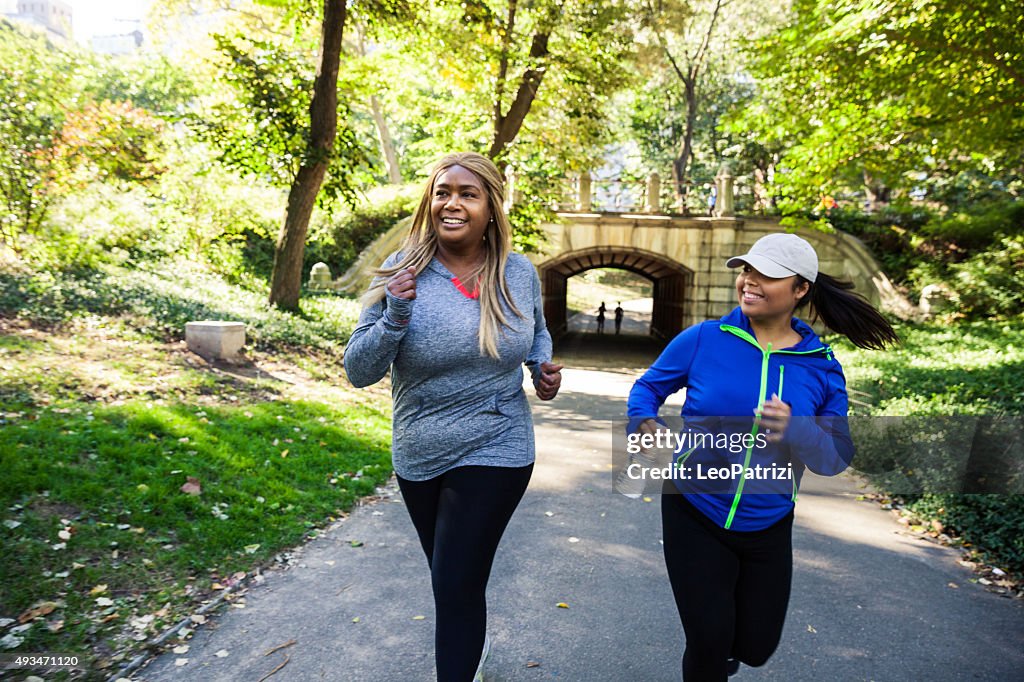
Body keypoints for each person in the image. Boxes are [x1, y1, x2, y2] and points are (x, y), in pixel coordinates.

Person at [626, 233, 897, 681]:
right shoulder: (704, 339)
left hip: (768, 521)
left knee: (755, 646)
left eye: (767, 274)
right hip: (694, 508)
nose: (750, 281)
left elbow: (834, 458)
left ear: (800, 289)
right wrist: (644, 421)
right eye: (747, 270)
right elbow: (648, 388)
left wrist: (797, 429)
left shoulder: (821, 365)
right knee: (708, 640)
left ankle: (727, 648)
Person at [344, 152, 563, 682]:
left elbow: (534, 330)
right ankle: (471, 651)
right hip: (420, 448)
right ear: (429, 202)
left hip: (498, 441)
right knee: (451, 580)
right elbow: (358, 370)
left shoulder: (517, 272)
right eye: (444, 192)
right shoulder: (401, 270)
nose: (453, 203)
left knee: (456, 582)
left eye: (468, 194)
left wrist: (540, 367)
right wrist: (396, 313)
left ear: (491, 206)